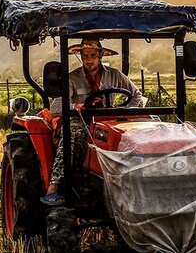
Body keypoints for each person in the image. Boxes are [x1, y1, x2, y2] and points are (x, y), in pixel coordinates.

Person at [41, 38, 143, 206]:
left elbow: (137, 95)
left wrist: (126, 113)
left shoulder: (114, 74)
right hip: (83, 120)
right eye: (85, 56)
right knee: (72, 133)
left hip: (110, 120)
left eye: (93, 55)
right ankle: (54, 186)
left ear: (100, 55)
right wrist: (76, 106)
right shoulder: (72, 78)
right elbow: (56, 107)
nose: (88, 60)